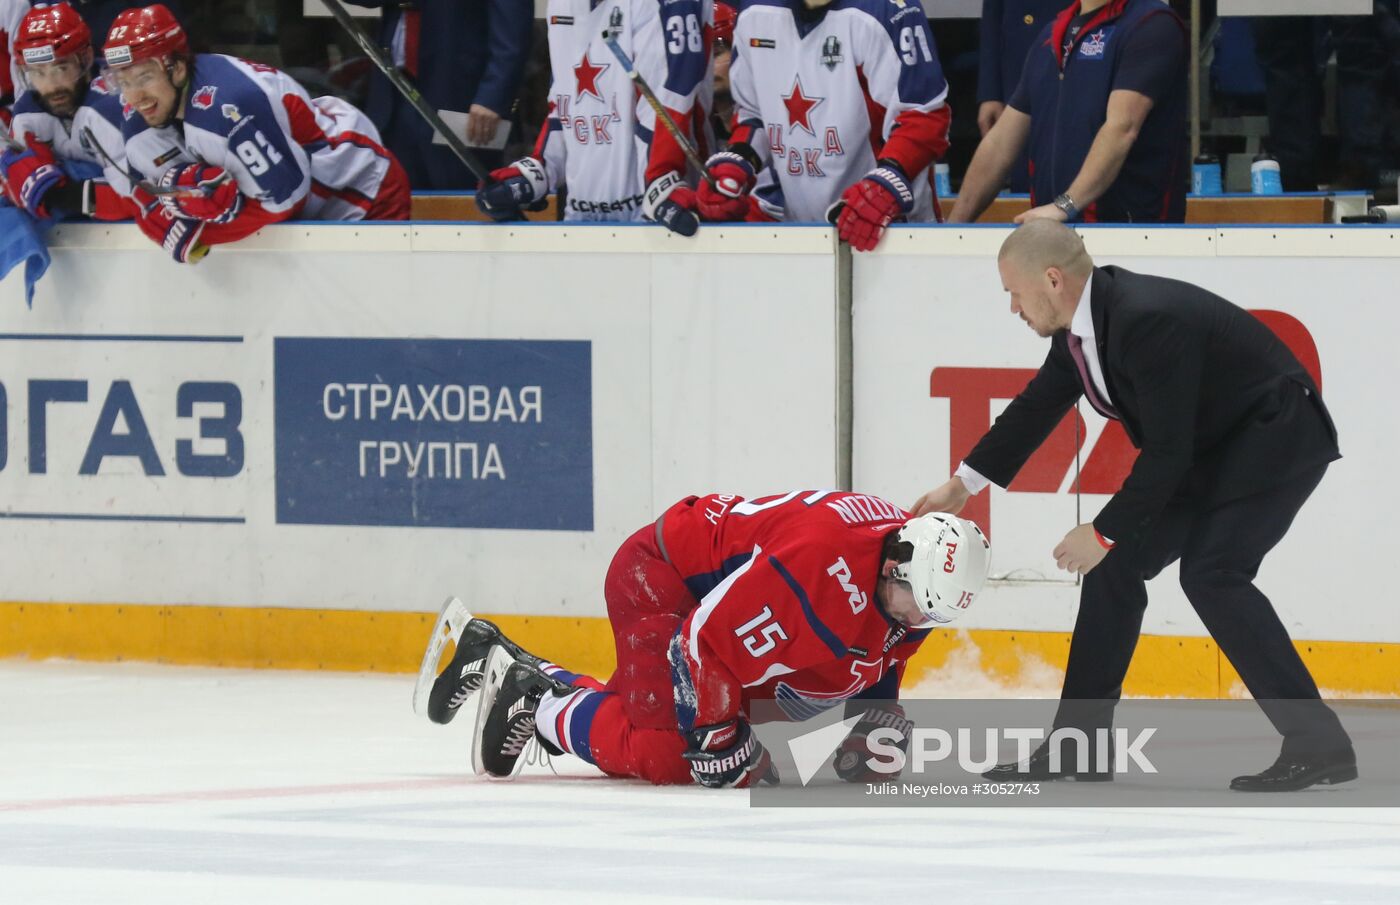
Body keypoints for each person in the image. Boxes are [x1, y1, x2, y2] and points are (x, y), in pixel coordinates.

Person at [911, 220, 1354, 792]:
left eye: (1014, 294)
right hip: (1214, 450)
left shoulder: (1147, 320)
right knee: (1115, 567)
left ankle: (1319, 746)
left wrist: (1101, 530)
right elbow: (1036, 408)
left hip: (1275, 442)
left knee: (1213, 574)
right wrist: (963, 485)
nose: (1013, 309)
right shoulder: (1082, 330)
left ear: (1051, 279)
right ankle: (1080, 747)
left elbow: (1168, 454)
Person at [421, 491, 991, 787]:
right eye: (912, 605)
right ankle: (538, 701)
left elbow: (875, 656)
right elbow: (700, 641)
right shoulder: (818, 574)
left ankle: (521, 672)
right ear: (895, 563)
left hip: (721, 604)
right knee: (671, 755)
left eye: (927, 616)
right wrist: (717, 736)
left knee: (722, 716)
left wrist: (872, 722)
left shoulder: (909, 580)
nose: (912, 623)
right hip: (660, 577)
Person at [100, 4, 409, 265]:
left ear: (178, 68)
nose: (134, 97)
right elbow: (145, 196)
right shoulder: (138, 116)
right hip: (304, 211)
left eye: (144, 77)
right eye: (123, 82)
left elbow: (285, 200)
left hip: (361, 190)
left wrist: (201, 232)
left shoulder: (230, 108)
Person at [693, 0, 952, 251]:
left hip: (892, 231)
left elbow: (923, 115)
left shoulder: (889, 9)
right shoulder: (754, 12)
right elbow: (753, 113)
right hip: (799, 233)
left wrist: (887, 182)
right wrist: (739, 158)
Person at [474, 0, 714, 235]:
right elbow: (564, 103)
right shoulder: (561, 5)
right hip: (580, 218)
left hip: (659, 219)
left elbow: (669, 101)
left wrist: (660, 181)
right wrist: (539, 170)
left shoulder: (665, 4)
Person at [950, 0, 1186, 225]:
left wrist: (1065, 206)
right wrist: (953, 227)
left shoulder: (1152, 24)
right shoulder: (1051, 35)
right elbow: (999, 144)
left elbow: (1122, 128)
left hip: (1132, 236)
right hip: (1055, 237)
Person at [344, 0, 533, 188]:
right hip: (395, 99)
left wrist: (493, 96)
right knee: (397, 205)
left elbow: (513, 31)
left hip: (461, 100)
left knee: (461, 207)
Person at [1, 2, 134, 223]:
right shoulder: (27, 113)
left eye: (61, 68)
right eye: (38, 73)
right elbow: (15, 179)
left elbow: (141, 198)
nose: (52, 86)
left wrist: (60, 196)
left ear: (86, 58)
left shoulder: (114, 106)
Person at [975, 0, 1065, 193]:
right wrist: (991, 92)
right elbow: (993, 16)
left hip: (1081, 49)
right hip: (1018, 61)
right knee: (1023, 166)